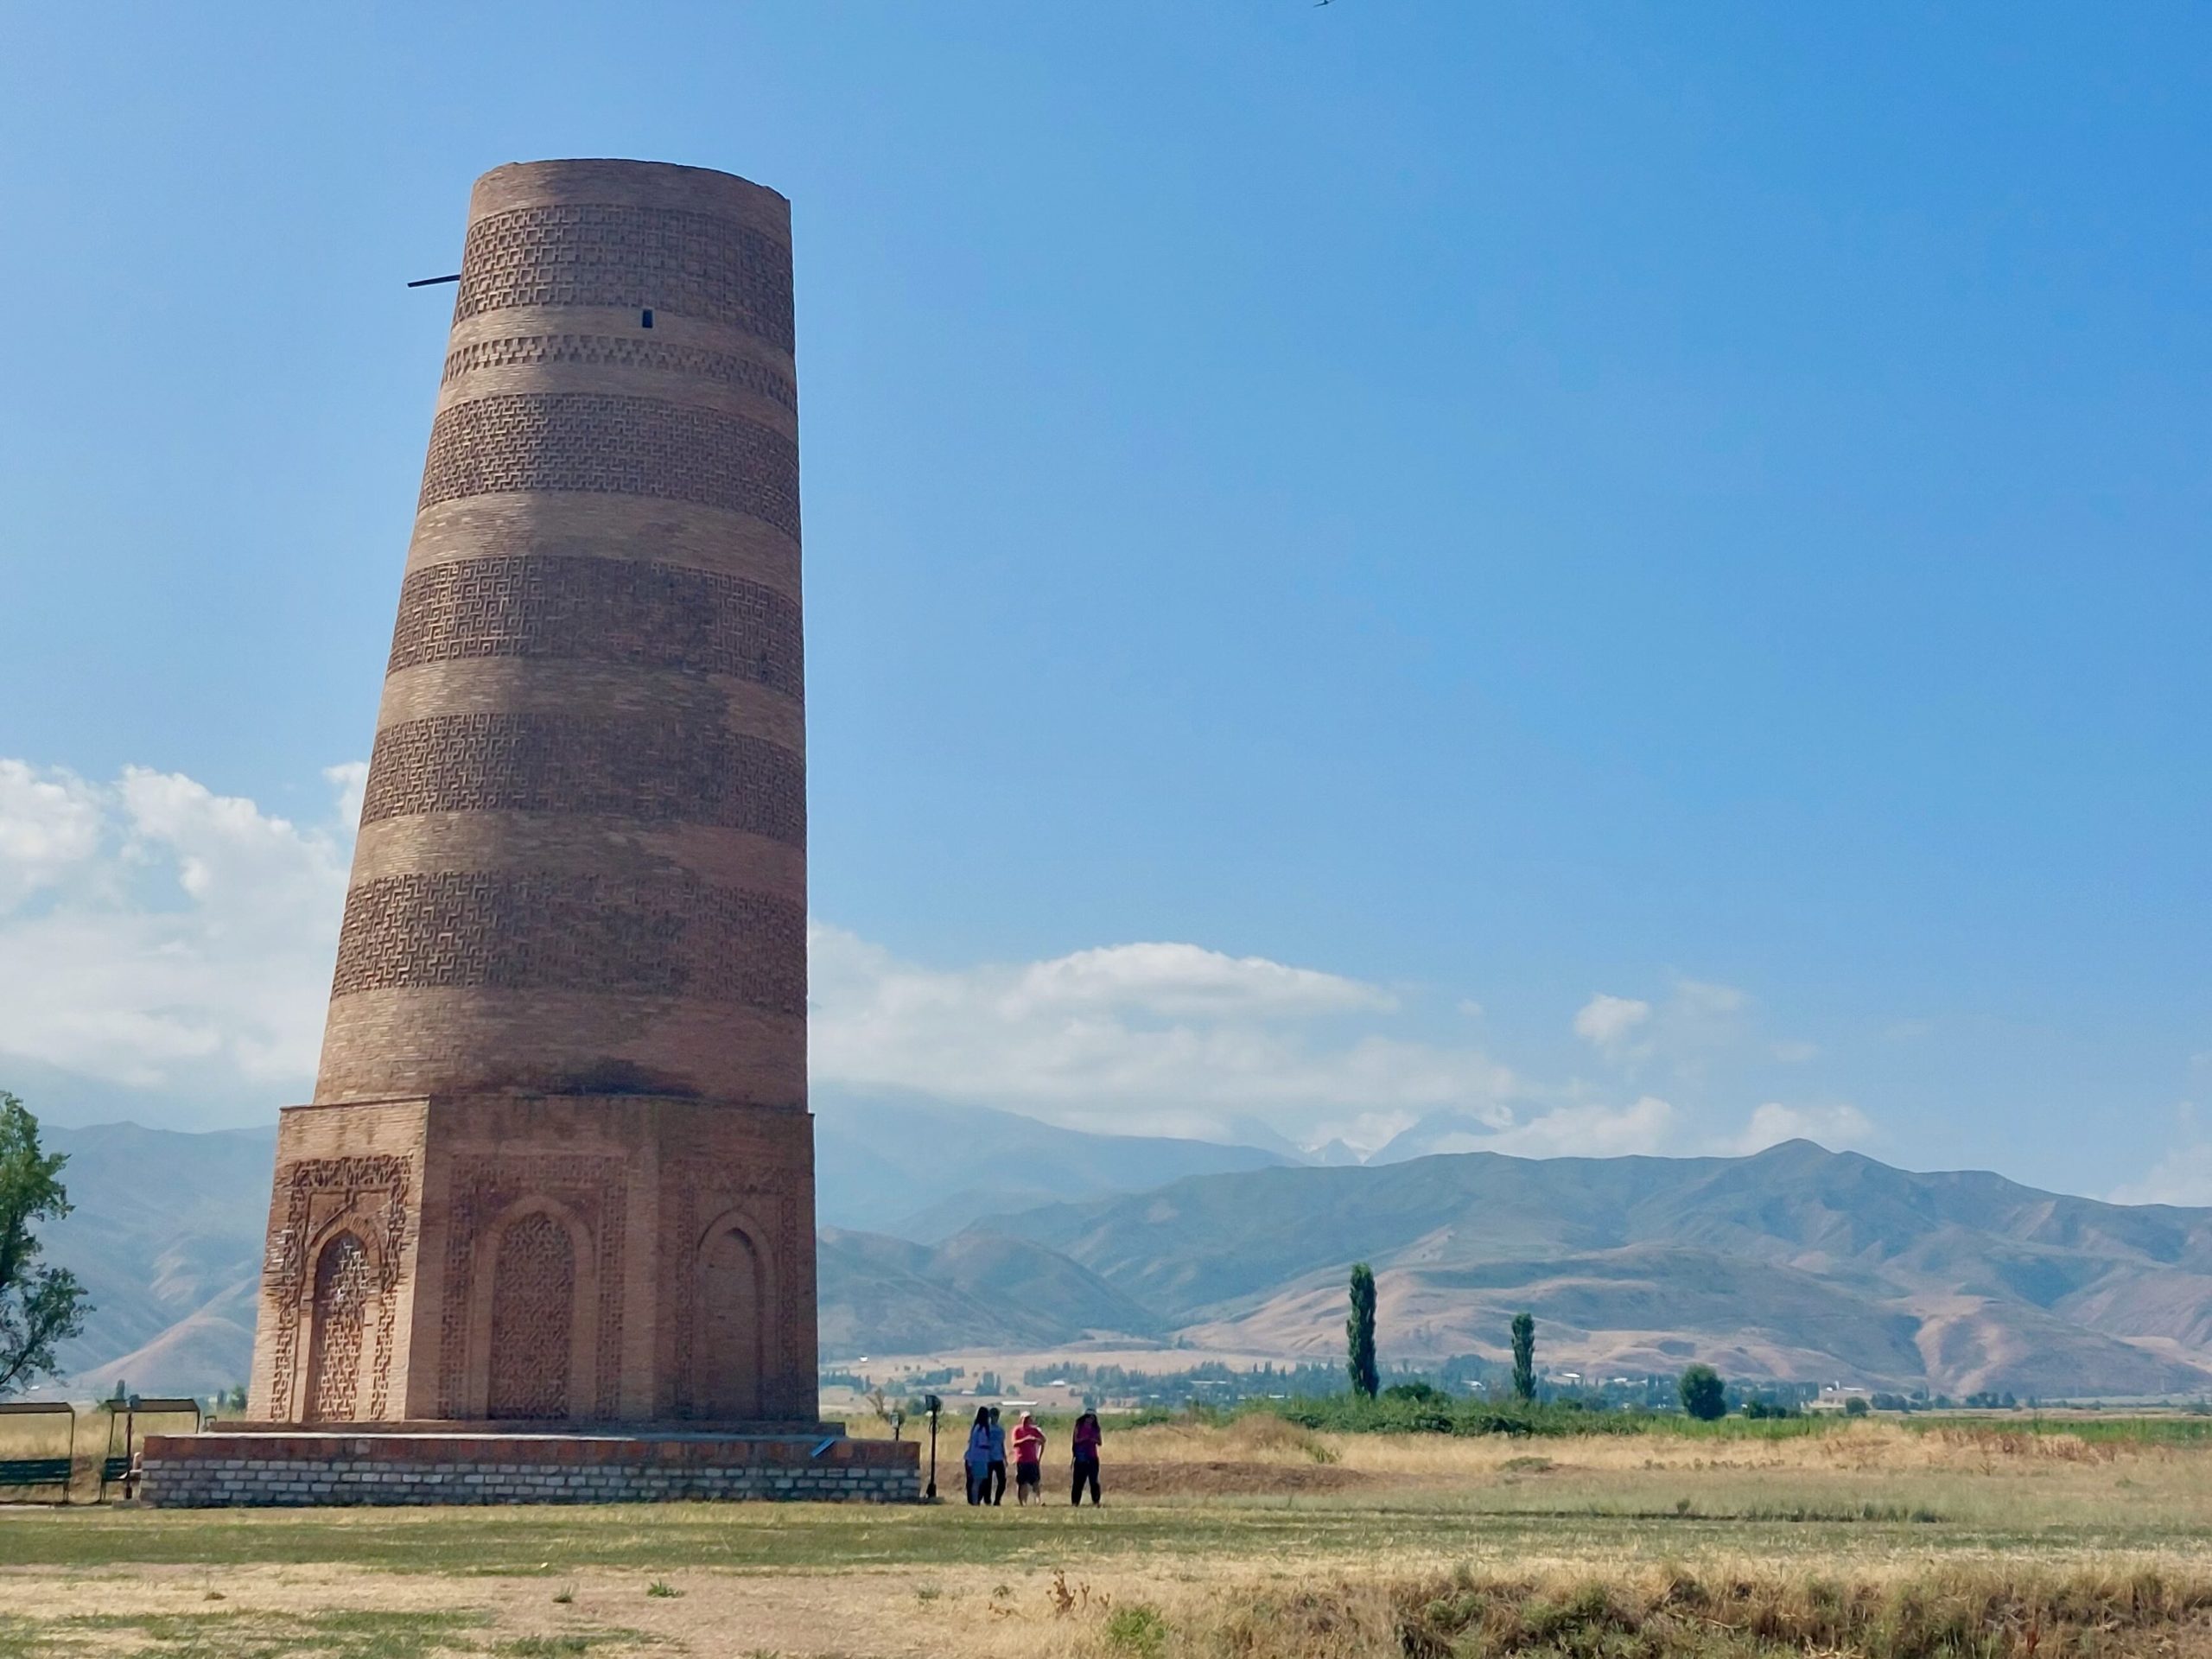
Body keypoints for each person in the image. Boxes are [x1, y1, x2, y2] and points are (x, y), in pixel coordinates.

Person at [1011, 1410, 1045, 1504]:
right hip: (1021, 1459)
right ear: (1021, 1419)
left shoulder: (1034, 1430)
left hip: (1032, 1460)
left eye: (1028, 1419)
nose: (1026, 1421)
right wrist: (1026, 1439)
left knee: (1035, 1482)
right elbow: (1014, 1443)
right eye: (1025, 1419)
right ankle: (1023, 1502)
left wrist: (1039, 1455)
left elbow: (1043, 1440)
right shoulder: (1017, 1430)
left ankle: (1038, 1501)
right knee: (1022, 1483)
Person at [1070, 1408, 1102, 1506]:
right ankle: (1075, 1502)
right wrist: (1084, 1439)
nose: (1090, 1419)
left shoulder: (1096, 1428)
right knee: (1078, 1481)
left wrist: (1093, 1439)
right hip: (1081, 1457)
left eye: (1092, 1417)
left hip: (1092, 1457)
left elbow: (1100, 1442)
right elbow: (1075, 1440)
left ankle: (1096, 1501)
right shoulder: (1079, 1426)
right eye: (1088, 1417)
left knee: (1094, 1481)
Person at [963, 1406, 992, 1505]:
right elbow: (982, 1443)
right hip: (979, 1458)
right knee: (977, 1481)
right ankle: (975, 1501)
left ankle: (975, 1500)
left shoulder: (976, 1427)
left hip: (974, 1457)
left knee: (976, 1481)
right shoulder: (982, 1428)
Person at [985, 1405, 1008, 1506]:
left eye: (996, 1415)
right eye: (993, 1415)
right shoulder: (985, 1429)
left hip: (998, 1457)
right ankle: (987, 1499)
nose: (995, 1417)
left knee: (1002, 1480)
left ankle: (997, 1499)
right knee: (987, 1481)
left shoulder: (1000, 1429)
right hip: (988, 1458)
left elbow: (1002, 1444)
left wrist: (1005, 1457)